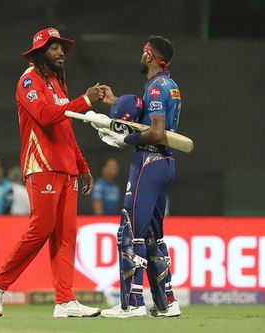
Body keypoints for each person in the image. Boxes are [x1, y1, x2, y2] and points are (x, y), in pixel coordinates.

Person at [0, 27, 104, 318]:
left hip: (66, 168)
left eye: (61, 47)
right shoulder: (28, 80)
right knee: (42, 228)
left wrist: (83, 166)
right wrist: (85, 101)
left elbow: (66, 128)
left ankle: (64, 301)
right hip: (42, 165)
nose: (61, 52)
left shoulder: (57, 84)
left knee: (66, 235)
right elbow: (46, 117)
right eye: (53, 48)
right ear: (39, 53)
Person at [94, 36, 182, 318]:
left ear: (150, 56)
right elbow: (141, 116)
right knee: (154, 233)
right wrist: (114, 102)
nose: (141, 56)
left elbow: (155, 131)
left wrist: (125, 140)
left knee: (130, 231)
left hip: (149, 159)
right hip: (166, 162)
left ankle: (132, 304)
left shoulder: (156, 88)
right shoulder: (170, 85)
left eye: (143, 52)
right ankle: (166, 302)